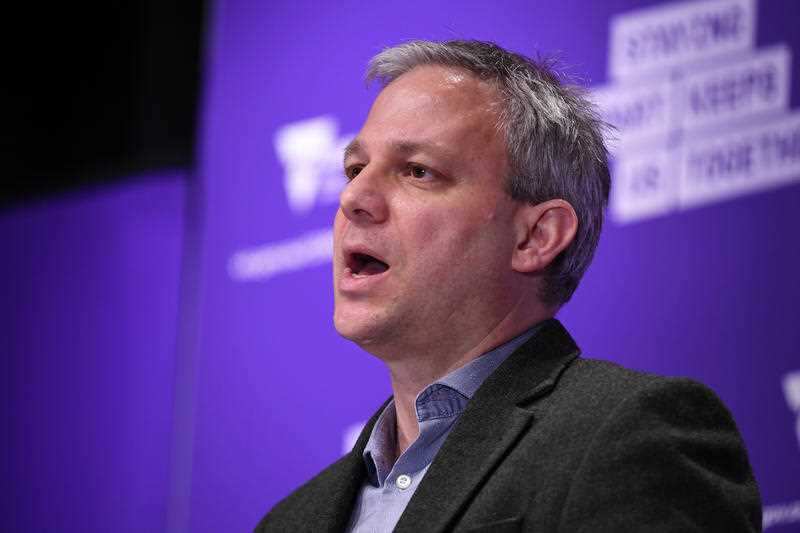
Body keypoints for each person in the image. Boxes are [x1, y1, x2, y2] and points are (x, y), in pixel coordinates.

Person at [257, 40, 761, 532]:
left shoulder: (630, 436)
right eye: (354, 168)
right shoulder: (291, 520)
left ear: (535, 237)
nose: (353, 197)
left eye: (418, 171)